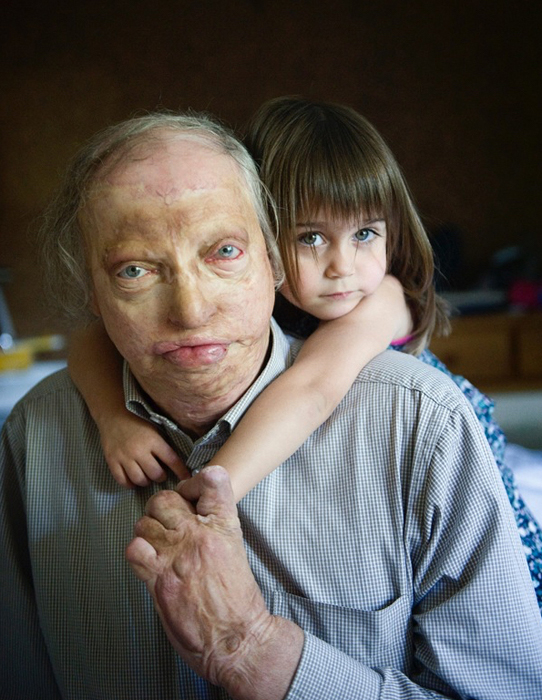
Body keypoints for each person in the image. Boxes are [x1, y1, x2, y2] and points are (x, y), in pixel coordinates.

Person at [1, 110, 541, 700]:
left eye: (224, 251)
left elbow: (314, 389)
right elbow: (85, 340)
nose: (191, 310)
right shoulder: (33, 437)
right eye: (134, 270)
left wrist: (252, 633)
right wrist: (111, 418)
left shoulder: (407, 395)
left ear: (269, 256)